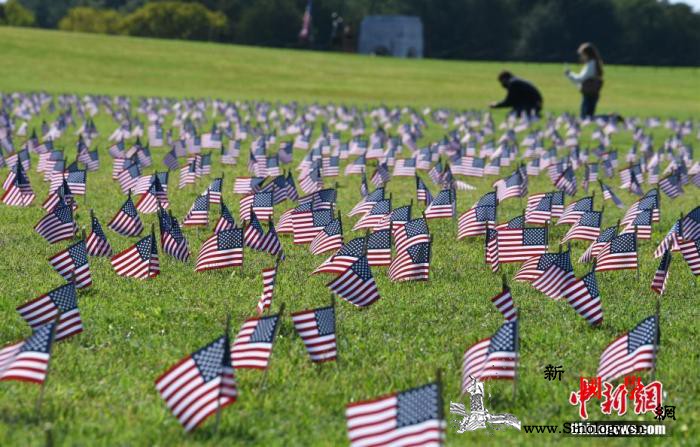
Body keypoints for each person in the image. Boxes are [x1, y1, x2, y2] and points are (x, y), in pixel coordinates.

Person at [565, 43, 604, 119]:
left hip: (588, 95)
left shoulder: (591, 65)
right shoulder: (594, 63)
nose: (581, 57)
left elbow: (580, 79)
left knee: (585, 117)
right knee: (588, 116)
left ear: (587, 54)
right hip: (593, 94)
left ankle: (611, 117)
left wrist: (569, 74)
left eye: (582, 54)